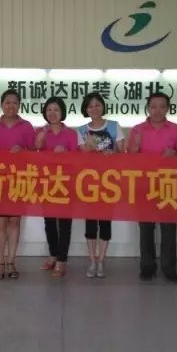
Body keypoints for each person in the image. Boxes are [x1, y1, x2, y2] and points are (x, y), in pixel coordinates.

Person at [0, 89, 35, 280]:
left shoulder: (26, 126)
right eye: (7, 102)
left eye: (15, 102)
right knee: (0, 223)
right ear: (1, 105)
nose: (11, 106)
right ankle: (0, 263)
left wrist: (22, 150)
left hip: (19, 178)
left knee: (15, 221)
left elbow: (34, 152)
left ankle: (11, 261)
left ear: (19, 105)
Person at [127, 93, 177, 282]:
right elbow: (129, 157)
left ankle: (169, 267)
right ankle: (147, 266)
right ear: (148, 108)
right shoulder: (137, 130)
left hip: (168, 183)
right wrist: (135, 147)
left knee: (169, 228)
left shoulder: (176, 129)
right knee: (146, 228)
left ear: (168, 109)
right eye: (153, 106)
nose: (157, 110)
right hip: (144, 184)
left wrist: (175, 154)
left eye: (162, 106)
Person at [77, 91, 125, 278]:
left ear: (103, 106)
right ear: (86, 109)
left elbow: (123, 153)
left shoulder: (114, 126)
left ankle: (101, 260)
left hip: (109, 183)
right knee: (90, 223)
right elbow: (82, 156)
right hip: (89, 183)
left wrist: (113, 154)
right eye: (90, 106)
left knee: (105, 222)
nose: (94, 108)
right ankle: (92, 260)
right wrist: (90, 147)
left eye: (97, 105)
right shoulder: (81, 130)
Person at [35, 96, 78, 277]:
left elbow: (77, 158)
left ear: (62, 112)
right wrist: (40, 140)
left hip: (66, 183)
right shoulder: (40, 131)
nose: (52, 113)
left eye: (56, 110)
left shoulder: (71, 134)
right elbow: (35, 152)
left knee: (65, 223)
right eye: (49, 110)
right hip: (46, 182)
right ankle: (52, 256)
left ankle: (62, 260)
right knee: (49, 222)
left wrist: (65, 153)